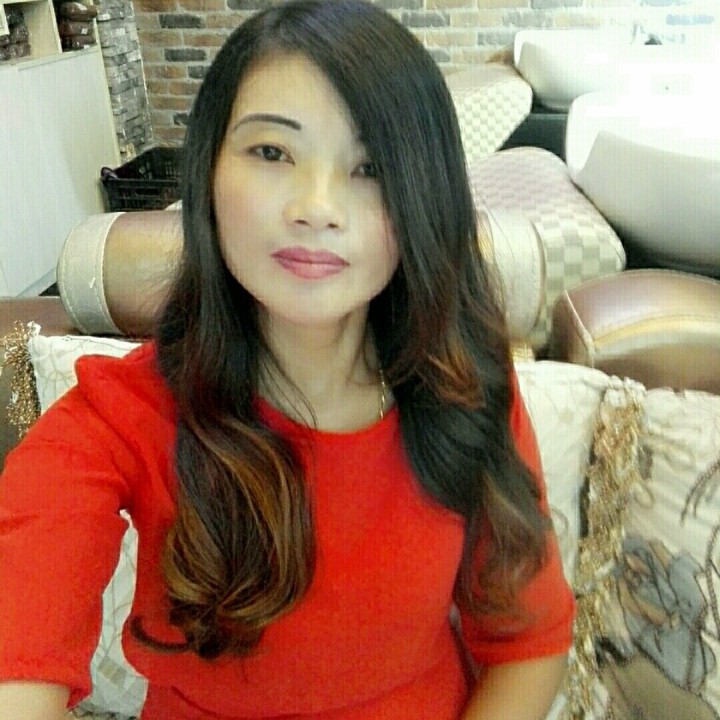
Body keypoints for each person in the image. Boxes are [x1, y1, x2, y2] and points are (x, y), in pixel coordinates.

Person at [0, 1, 575, 717]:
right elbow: (20, 635)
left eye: (370, 166)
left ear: (424, 197)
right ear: (208, 173)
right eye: (272, 153)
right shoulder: (117, 418)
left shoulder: (466, 387)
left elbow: (528, 643)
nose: (316, 206)